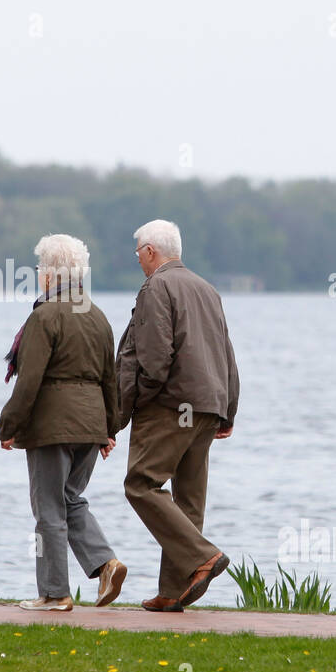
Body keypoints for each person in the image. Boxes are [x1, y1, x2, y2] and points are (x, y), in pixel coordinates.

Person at [0, 234, 127, 612]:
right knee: (70, 500)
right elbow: (109, 378)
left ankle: (55, 594)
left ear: (52, 273)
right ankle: (106, 564)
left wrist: (9, 426)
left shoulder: (44, 315)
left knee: (49, 509)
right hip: (90, 426)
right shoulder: (98, 316)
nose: (39, 275)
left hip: (53, 426)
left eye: (40, 269)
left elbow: (30, 379)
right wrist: (109, 428)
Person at [115, 219, 239, 612]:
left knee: (141, 484)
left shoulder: (157, 287)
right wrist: (228, 408)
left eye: (138, 253)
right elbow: (226, 354)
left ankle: (203, 556)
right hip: (208, 406)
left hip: (170, 405)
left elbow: (154, 357)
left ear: (150, 251)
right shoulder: (208, 289)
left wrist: (139, 402)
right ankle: (173, 590)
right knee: (189, 497)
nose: (138, 261)